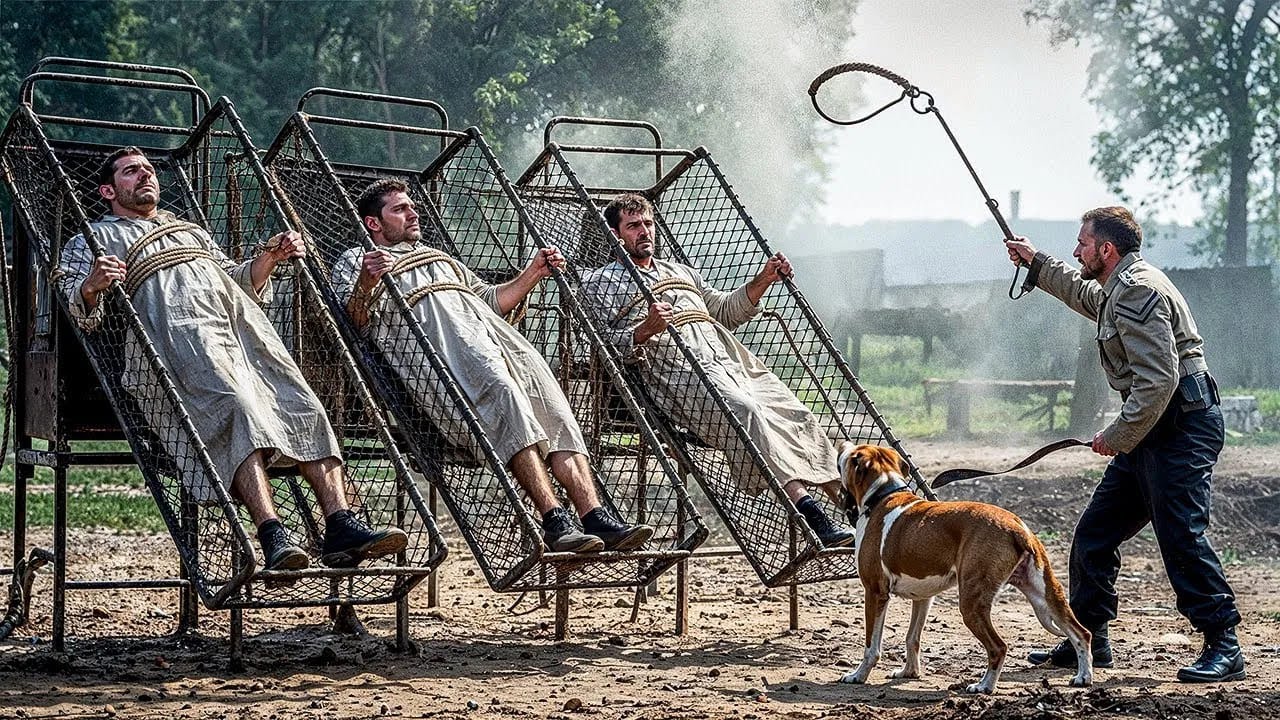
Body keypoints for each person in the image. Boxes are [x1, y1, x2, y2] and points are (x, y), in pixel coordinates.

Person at [58, 147, 407, 572]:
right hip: (176, 340)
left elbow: (238, 278)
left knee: (305, 408)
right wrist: (92, 285)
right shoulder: (95, 238)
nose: (146, 176)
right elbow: (74, 303)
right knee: (237, 409)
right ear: (109, 190)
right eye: (132, 172)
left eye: (149, 169)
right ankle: (273, 535)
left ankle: (341, 523)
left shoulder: (190, 232)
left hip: (240, 333)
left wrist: (269, 259)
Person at [333, 178, 654, 554]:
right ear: (374, 223)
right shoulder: (358, 260)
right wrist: (367, 282)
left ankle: (594, 514)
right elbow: (353, 322)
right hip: (446, 358)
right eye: (400, 209)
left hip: (497, 342)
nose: (412, 212)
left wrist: (533, 272)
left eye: (411, 205)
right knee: (504, 398)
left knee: (555, 410)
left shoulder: (439, 257)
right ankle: (554, 520)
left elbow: (489, 299)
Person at [1007, 206, 1244, 683]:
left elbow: (1158, 381)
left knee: (1180, 534)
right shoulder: (1120, 286)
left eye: (1082, 244)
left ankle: (1225, 644)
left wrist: (1116, 436)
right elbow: (1081, 292)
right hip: (1156, 428)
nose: (1077, 252)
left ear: (1106, 250)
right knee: (1095, 535)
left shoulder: (1136, 291)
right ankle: (1088, 637)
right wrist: (1035, 263)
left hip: (1180, 428)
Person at [579, 193, 855, 549]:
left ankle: (853, 512)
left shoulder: (680, 272)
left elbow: (725, 311)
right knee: (746, 412)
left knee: (795, 414)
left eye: (648, 223)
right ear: (616, 234)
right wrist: (645, 329)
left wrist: (764, 279)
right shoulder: (598, 283)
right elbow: (603, 345)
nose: (644, 231)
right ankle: (811, 516)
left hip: (728, 360)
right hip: (673, 374)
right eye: (633, 226)